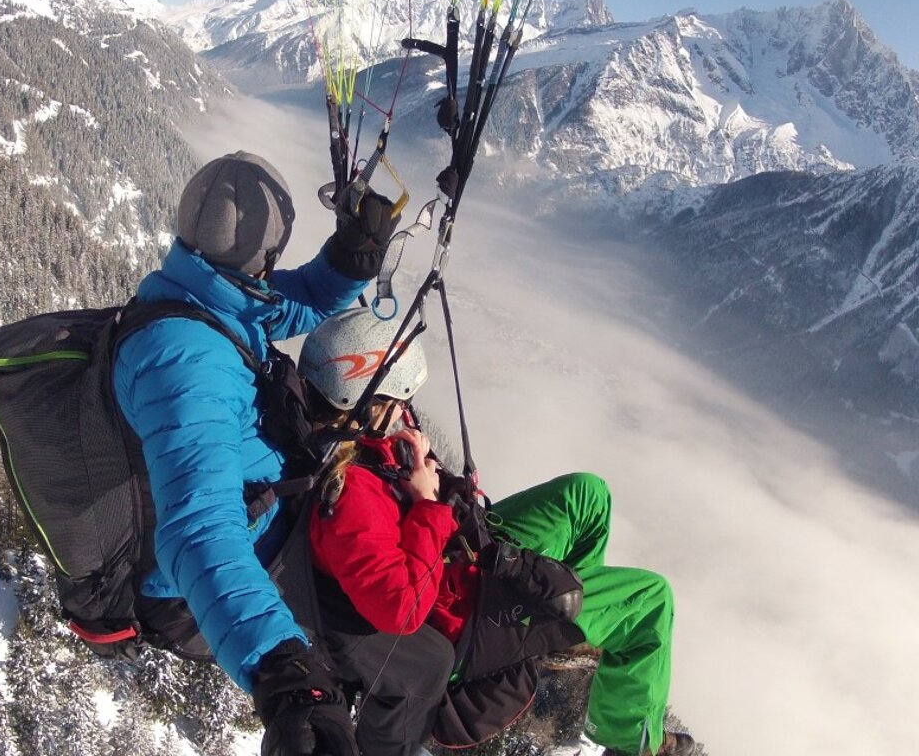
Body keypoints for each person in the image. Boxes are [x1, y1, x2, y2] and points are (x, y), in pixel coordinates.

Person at [296, 307, 697, 756]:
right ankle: (629, 739)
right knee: (650, 602)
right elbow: (402, 610)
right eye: (398, 402)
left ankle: (567, 625)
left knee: (586, 495)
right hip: (466, 616)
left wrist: (437, 482)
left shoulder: (359, 448)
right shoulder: (350, 497)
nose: (405, 411)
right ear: (367, 404)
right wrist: (428, 505)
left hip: (460, 553)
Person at [111, 151, 400, 756]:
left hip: (255, 517)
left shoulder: (198, 291)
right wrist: (285, 673)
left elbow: (282, 305)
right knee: (407, 644)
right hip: (199, 590)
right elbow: (198, 531)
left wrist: (347, 264)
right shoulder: (186, 365)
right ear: (261, 257)